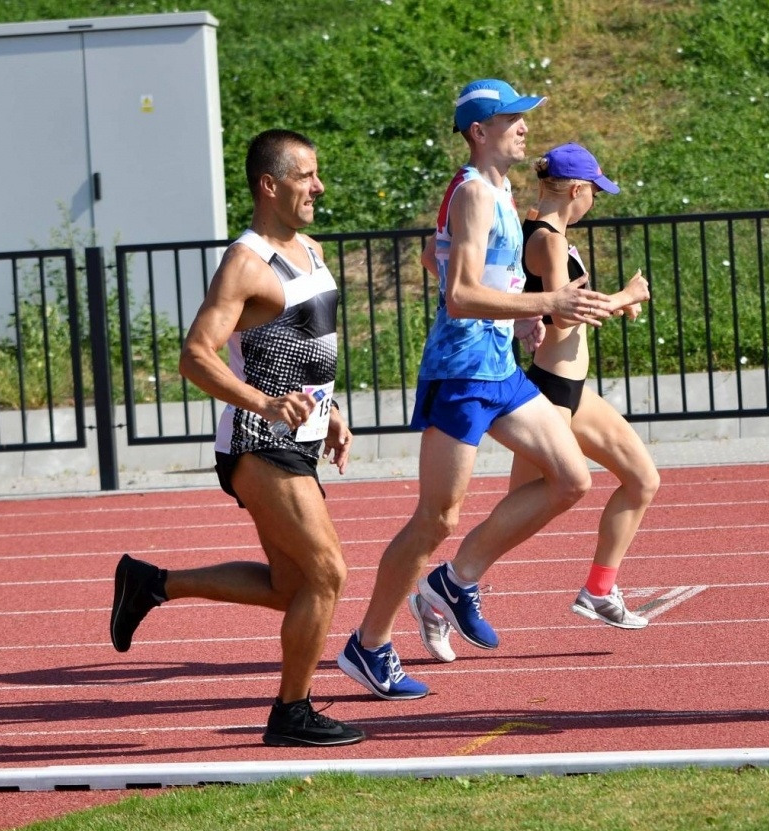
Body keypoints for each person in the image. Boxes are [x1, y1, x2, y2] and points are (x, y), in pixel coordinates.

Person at [336, 79, 617, 699]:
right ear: (478, 131)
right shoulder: (471, 193)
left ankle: (454, 582)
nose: (523, 126)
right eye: (511, 118)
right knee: (435, 518)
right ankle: (370, 644)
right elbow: (459, 295)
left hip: (498, 368)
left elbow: (461, 270)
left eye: (523, 117)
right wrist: (548, 299)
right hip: (461, 371)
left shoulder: (500, 190)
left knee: (572, 478)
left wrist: (524, 319)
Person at [110, 129, 363, 747]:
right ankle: (291, 712)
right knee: (328, 574)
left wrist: (328, 409)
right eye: (306, 176)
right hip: (256, 439)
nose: (319, 187)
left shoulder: (311, 249)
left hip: (298, 436)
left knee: (290, 588)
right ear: (269, 185)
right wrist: (266, 403)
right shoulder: (246, 261)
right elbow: (195, 356)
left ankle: (152, 583)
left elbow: (306, 342)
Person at [512, 143, 657, 628]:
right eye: (595, 190)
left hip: (572, 393)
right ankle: (448, 586)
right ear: (578, 189)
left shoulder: (549, 234)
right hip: (550, 394)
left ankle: (599, 590)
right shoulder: (547, 240)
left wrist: (616, 304)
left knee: (641, 480)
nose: (596, 198)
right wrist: (625, 296)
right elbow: (558, 314)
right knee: (518, 520)